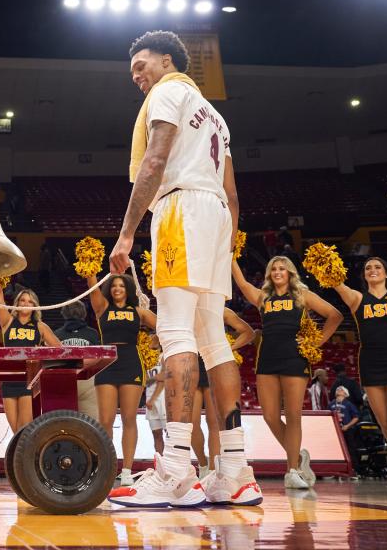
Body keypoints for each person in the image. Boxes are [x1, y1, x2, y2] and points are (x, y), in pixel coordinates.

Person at [108, 30, 259, 507]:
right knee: (213, 338)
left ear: (168, 61)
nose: (137, 77)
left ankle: (176, 468)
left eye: (142, 66)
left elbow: (154, 160)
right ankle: (234, 470)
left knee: (174, 332)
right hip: (216, 216)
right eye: (133, 71)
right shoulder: (216, 116)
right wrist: (226, 243)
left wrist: (127, 232)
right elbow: (232, 194)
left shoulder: (169, 92)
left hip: (182, 210)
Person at [232, 256, 342, 489]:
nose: (277, 272)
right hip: (268, 360)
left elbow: (335, 315)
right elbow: (242, 283)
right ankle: (299, 457)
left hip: (295, 358)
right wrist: (230, 254)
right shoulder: (264, 297)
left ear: (290, 273)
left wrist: (317, 343)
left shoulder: (303, 295)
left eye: (282, 268)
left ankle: (292, 469)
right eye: (273, 269)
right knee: (270, 416)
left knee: (293, 415)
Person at [331, 256, 387, 491]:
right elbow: (336, 282)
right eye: (368, 268)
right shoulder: (357, 299)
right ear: (364, 276)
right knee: (384, 423)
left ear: (386, 273)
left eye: (377, 267)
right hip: (370, 364)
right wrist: (325, 263)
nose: (372, 270)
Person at [85, 273, 157, 486]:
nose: (117, 289)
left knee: (129, 418)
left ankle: (126, 470)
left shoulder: (138, 311)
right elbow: (92, 286)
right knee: (106, 419)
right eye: (114, 286)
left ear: (128, 290)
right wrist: (90, 271)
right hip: (106, 363)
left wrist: (153, 341)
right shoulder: (102, 307)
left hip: (131, 362)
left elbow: (163, 327)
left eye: (122, 286)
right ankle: (108, 468)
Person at [192, 308, 256, 479]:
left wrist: (229, 347)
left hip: (214, 364)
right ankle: (203, 464)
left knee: (213, 422)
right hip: (191, 365)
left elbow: (248, 333)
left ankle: (213, 470)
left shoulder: (221, 310)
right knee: (191, 423)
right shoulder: (186, 306)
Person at [0, 285, 61, 433]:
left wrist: (42, 351)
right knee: (15, 431)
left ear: (35, 306)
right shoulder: (8, 321)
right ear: (16, 304)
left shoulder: (40, 326)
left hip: (29, 380)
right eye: (22, 300)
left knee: (25, 430)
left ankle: (23, 456)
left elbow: (59, 350)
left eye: (30, 301)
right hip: (9, 379)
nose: (25, 303)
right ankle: (15, 456)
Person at [54, 301, 104, 420]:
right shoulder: (93, 333)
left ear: (64, 314)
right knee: (91, 424)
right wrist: (82, 365)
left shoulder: (56, 334)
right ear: (84, 314)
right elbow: (99, 356)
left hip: (63, 380)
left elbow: (51, 359)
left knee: (62, 423)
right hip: (87, 381)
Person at [328, 385, 361, 472]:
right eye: (338, 389)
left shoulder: (349, 404)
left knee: (350, 449)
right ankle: (335, 469)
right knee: (335, 450)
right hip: (335, 432)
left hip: (347, 430)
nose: (339, 389)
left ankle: (354, 469)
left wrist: (348, 426)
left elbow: (356, 417)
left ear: (346, 394)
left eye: (341, 389)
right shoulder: (331, 404)